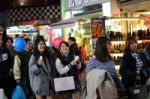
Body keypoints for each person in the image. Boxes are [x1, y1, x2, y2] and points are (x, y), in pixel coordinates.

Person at [0, 33, 15, 99]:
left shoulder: (6, 50)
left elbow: (10, 62)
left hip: (7, 78)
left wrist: (10, 71)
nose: (1, 41)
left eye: (1, 39)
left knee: (8, 95)